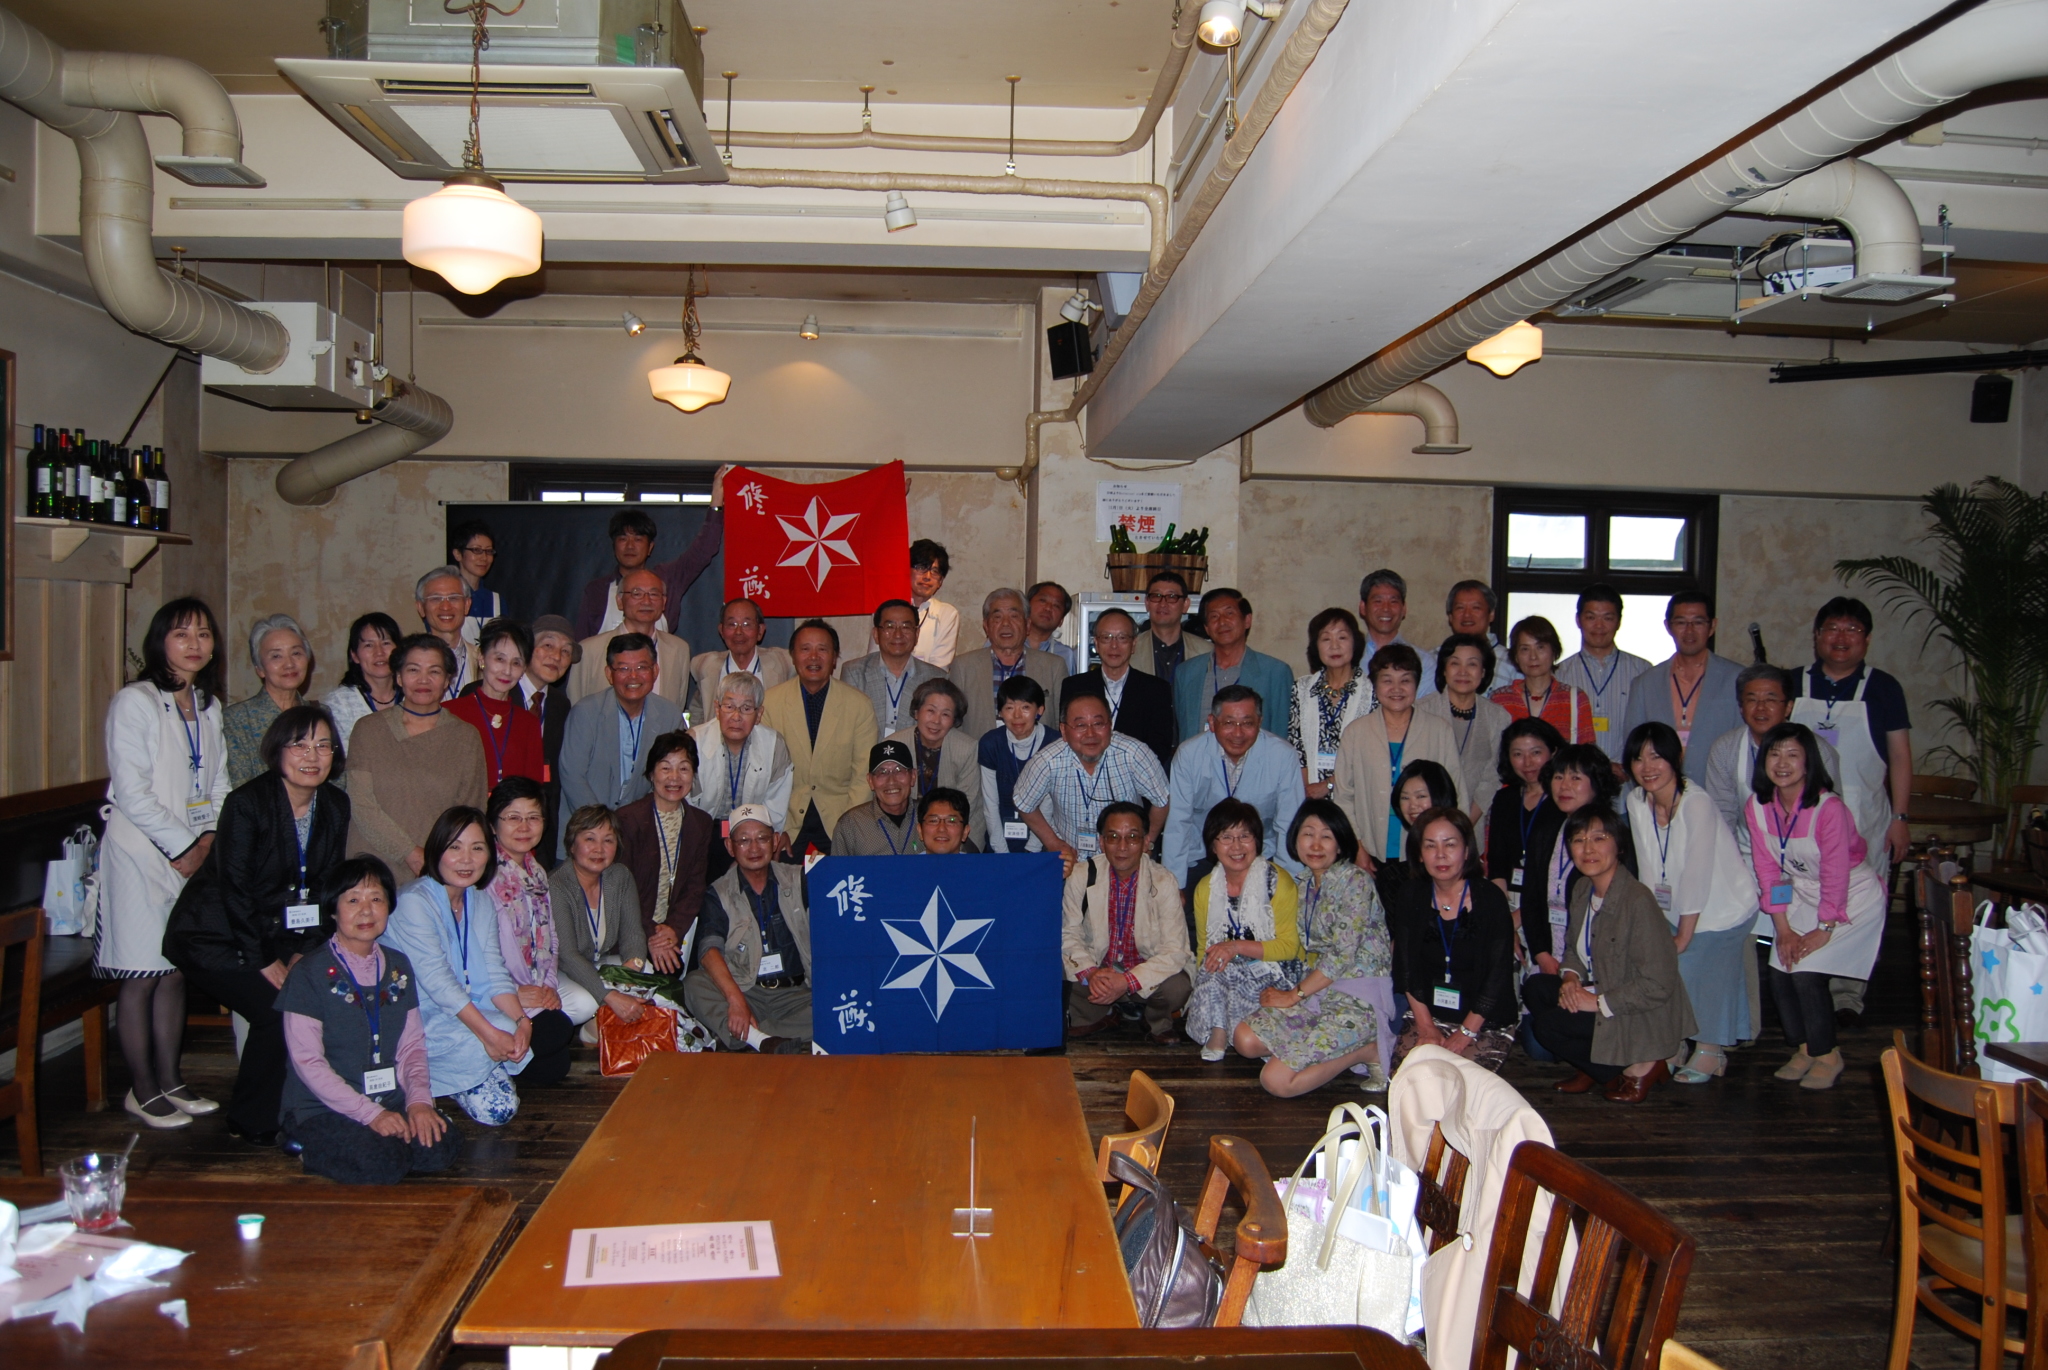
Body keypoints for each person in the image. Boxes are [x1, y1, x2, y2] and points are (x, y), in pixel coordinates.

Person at [163, 703, 349, 1144]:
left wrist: (305, 950)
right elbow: (235, 889)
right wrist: (265, 959)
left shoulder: (335, 804)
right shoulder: (247, 803)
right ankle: (253, 1120)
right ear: (277, 750)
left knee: (322, 995)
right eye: (299, 744)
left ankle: (308, 1105)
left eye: (323, 745)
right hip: (214, 934)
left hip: (280, 933)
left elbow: (325, 885)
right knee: (276, 1010)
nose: (312, 756)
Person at [99, 599, 230, 1128]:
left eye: (203, 634)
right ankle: (142, 1088)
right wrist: (183, 846)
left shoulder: (207, 705)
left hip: (191, 852)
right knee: (142, 973)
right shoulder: (135, 701)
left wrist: (209, 838)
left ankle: (172, 1080)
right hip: (139, 853)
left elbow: (217, 783)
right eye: (182, 634)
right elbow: (132, 791)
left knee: (174, 968)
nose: (195, 644)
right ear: (160, 642)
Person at [382, 807, 574, 1125]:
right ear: (436, 850)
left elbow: (495, 971)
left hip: (469, 1006)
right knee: (500, 1111)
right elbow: (438, 983)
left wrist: (523, 1022)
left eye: (477, 848)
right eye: (455, 847)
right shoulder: (414, 902)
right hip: (419, 1015)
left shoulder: (480, 900)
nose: (466, 860)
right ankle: (435, 1078)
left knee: (534, 1044)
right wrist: (488, 1034)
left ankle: (475, 1067)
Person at [277, 855, 461, 1184]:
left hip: (388, 1097)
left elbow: (412, 1046)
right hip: (323, 1106)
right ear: (333, 909)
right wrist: (371, 1115)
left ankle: (385, 1141)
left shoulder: (398, 965)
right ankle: (302, 1140)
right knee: (383, 1162)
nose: (366, 911)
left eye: (376, 899)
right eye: (353, 900)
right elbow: (308, 1061)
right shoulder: (308, 973)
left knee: (439, 1147)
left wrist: (419, 1102)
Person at [1745, 722, 1887, 1091]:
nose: (1782, 763)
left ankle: (1828, 1055)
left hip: (1851, 896)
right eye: (1774, 753)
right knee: (1780, 967)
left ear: (1809, 762)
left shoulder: (1828, 808)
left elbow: (1837, 874)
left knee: (1806, 972)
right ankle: (1805, 1048)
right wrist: (1783, 930)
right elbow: (1768, 871)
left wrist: (1823, 930)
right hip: (1802, 892)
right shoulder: (1757, 806)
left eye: (1793, 754)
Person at [1793, 596, 1912, 1027]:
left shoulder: (1884, 688)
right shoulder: (1793, 683)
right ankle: (1804, 983)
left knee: (1857, 906)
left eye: (1852, 630)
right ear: (1817, 636)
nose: (1841, 638)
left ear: (1867, 639)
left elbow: (1900, 756)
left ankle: (1848, 993)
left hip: (1865, 818)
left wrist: (1900, 818)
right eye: (1832, 629)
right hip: (1802, 820)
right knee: (1805, 900)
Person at [1526, 805, 1696, 1101]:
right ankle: (1595, 1066)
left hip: (1639, 1010)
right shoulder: (1583, 889)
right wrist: (1570, 979)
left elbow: (1658, 985)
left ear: (1619, 846)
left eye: (1599, 838)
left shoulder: (1637, 901)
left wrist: (1596, 1002)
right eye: (1578, 840)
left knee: (1549, 1026)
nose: (1588, 849)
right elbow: (1573, 949)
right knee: (1537, 988)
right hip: (1603, 989)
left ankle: (1643, 1064)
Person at [1235, 799, 1397, 1096]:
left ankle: (1367, 1050)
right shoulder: (1305, 884)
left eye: (1326, 836)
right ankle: (1316, 1050)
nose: (1316, 844)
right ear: (1295, 838)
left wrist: (1292, 996)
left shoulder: (1355, 881)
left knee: (1276, 1082)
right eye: (1308, 834)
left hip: (1357, 998)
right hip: (1319, 992)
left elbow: (1342, 956)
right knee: (1244, 1039)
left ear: (1340, 843)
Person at [1622, 722, 1754, 1084]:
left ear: (1675, 759)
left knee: (1692, 964)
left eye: (1656, 757)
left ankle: (1711, 1050)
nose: (1647, 767)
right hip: (1675, 906)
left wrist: (1683, 936)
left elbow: (1697, 874)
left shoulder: (1696, 802)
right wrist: (1652, 924)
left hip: (1723, 906)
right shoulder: (1637, 800)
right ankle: (1675, 1042)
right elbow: (1649, 868)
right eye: (1638, 759)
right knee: (1657, 963)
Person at [344, 634, 489, 878]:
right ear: (399, 677)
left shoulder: (466, 737)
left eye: (434, 671)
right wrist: (409, 852)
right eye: (413, 670)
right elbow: (361, 804)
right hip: (373, 868)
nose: (423, 679)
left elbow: (469, 814)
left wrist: (435, 859)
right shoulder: (368, 729)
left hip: (437, 868)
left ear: (447, 680)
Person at [1388, 806, 1518, 1071]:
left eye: (1450, 844)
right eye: (1430, 846)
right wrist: (1426, 1026)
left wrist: (1466, 1032)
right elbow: (1406, 967)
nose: (1440, 854)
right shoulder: (1411, 895)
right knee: (1408, 1079)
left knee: (1460, 1081)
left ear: (1467, 850)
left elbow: (1498, 975)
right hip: (1428, 1013)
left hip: (1483, 1018)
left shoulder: (1490, 899)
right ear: (1419, 854)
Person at [683, 805, 813, 1051]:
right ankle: (765, 1038)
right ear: (730, 847)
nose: (754, 848)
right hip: (746, 991)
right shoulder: (718, 892)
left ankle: (753, 1037)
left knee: (838, 1007)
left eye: (762, 838)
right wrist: (735, 1001)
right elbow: (709, 951)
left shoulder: (800, 879)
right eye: (743, 840)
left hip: (797, 994)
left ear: (775, 841)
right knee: (694, 984)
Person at [1062, 801, 1194, 1043]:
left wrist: (1126, 981)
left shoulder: (1164, 881)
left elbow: (1175, 950)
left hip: (1144, 979)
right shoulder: (1082, 875)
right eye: (1113, 837)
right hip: (1099, 975)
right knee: (1055, 968)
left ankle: (1154, 1020)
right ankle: (1100, 1015)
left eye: (1132, 837)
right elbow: (1069, 935)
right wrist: (1092, 974)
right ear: (1101, 842)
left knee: (1178, 986)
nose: (1122, 847)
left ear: (1146, 842)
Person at [1185, 798, 1302, 1062]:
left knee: (1223, 959)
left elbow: (1288, 948)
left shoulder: (1278, 882)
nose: (1236, 846)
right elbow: (1204, 947)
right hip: (1226, 976)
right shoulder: (1205, 888)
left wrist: (1236, 946)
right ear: (1213, 845)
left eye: (1244, 836)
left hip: (1275, 973)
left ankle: (1232, 1030)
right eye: (1226, 837)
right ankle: (1218, 1030)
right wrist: (1203, 985)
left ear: (1257, 841)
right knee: (1212, 962)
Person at [1333, 645, 1467, 870]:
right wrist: (1357, 847)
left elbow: (1456, 791)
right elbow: (1343, 796)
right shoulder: (1356, 732)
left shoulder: (1439, 730)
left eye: (1405, 680)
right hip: (1370, 848)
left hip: (1428, 849)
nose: (1397, 688)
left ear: (1417, 684)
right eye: (1387, 680)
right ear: (1375, 684)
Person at [1163, 685, 1308, 886]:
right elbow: (1178, 823)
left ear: (1260, 722)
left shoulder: (1282, 755)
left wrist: (1290, 883)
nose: (1238, 733)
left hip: (1260, 853)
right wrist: (1174, 885)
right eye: (1229, 723)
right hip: (1203, 853)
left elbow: (1288, 823)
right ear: (1212, 723)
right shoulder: (1189, 755)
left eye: (1247, 723)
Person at [1014, 692, 1171, 876]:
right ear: (1064, 730)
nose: (1090, 734)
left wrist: (1146, 842)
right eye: (1080, 725)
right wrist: (1053, 842)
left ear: (1110, 725)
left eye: (1098, 723)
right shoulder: (1048, 760)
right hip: (1072, 862)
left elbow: (1162, 799)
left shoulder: (1134, 754)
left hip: (1124, 860)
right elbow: (1023, 802)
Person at [557, 634, 685, 857]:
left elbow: (670, 778)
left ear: (655, 671)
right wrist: (605, 829)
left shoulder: (670, 715)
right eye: (624, 668)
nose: (633, 676)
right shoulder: (585, 712)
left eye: (642, 668)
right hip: (584, 835)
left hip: (639, 837)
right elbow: (572, 776)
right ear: (609, 674)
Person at [485, 775, 597, 1029]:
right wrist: (513, 991)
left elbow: (551, 936)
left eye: (533, 818)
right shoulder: (484, 875)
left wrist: (548, 985)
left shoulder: (537, 871)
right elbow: (478, 955)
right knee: (554, 1033)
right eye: (513, 817)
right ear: (492, 825)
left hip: (536, 980)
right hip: (497, 989)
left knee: (584, 1004)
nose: (524, 827)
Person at [1519, 744, 1638, 981]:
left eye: (1575, 778)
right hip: (1546, 959)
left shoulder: (1612, 835)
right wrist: (1541, 953)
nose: (1564, 786)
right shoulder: (1545, 830)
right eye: (1558, 777)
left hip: (1594, 964)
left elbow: (1620, 906)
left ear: (1596, 783)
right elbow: (1530, 896)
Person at [762, 620, 878, 859]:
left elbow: (862, 775)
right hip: (786, 820)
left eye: (822, 649)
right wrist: (774, 826)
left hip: (840, 818)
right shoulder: (770, 703)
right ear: (793, 656)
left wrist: (849, 828)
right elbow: (764, 774)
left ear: (834, 658)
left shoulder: (859, 705)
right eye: (805, 649)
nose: (813, 657)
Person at [571, 468, 731, 639]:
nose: (630, 546)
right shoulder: (597, 591)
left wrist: (716, 501)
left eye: (638, 539)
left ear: (650, 548)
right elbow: (583, 644)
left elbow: (704, 550)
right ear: (614, 546)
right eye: (623, 539)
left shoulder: (668, 579)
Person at [1705, 666, 1842, 855]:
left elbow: (1831, 816)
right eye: (1752, 700)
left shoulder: (1817, 750)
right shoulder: (1725, 748)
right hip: (1746, 853)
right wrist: (1731, 863)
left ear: (1788, 707)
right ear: (1741, 708)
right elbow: (1723, 815)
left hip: (1807, 855)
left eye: (1770, 700)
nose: (1761, 708)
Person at [615, 731, 718, 974]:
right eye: (665, 768)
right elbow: (621, 890)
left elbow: (695, 887)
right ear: (651, 774)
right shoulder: (627, 819)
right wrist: (653, 934)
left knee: (673, 974)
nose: (674, 777)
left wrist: (672, 929)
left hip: (672, 933)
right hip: (630, 930)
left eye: (684, 768)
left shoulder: (701, 823)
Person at [550, 804, 653, 1043]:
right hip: (562, 970)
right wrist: (611, 996)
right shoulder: (557, 885)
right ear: (572, 844)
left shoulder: (620, 876)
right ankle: (590, 1031)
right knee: (584, 1003)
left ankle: (604, 1025)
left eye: (608, 840)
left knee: (646, 970)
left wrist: (631, 971)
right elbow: (567, 955)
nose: (599, 849)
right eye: (590, 839)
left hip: (597, 961)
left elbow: (633, 934)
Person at [1618, 589, 1743, 760]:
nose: (1689, 631)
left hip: (1717, 776)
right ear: (1668, 626)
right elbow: (1634, 746)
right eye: (1681, 622)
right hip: (1659, 776)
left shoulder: (1737, 679)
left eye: (1698, 622)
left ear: (1712, 626)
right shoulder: (1644, 683)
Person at [1060, 607, 1176, 771]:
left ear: (1133, 644)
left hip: (1137, 777)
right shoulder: (1074, 686)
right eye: (1106, 637)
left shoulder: (1156, 689)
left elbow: (1160, 745)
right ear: (1096, 643)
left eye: (1122, 638)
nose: (1114, 645)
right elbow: (1068, 736)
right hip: (1084, 775)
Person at [1173, 588, 1294, 744]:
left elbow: (1281, 734)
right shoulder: (1186, 673)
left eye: (1229, 613)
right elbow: (1182, 731)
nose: (1222, 622)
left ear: (1247, 620)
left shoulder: (1275, 672)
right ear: (1207, 628)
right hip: (1199, 759)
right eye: (1214, 616)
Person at [951, 589, 1070, 741]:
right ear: (986, 626)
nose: (1006, 623)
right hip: (979, 753)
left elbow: (1064, 722)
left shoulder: (1054, 666)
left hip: (1039, 753)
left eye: (1014, 616)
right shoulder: (963, 666)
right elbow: (954, 724)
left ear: (1027, 625)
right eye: (997, 617)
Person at [1417, 633, 1512, 819]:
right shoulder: (1421, 711)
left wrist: (1465, 823)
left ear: (1483, 672)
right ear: (1444, 670)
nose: (1463, 671)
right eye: (1455, 663)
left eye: (1472, 664)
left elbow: (1492, 778)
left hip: (1473, 822)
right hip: (1424, 817)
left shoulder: (1498, 717)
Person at [687, 672, 794, 838]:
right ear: (717, 709)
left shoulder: (774, 745)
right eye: (729, 707)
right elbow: (686, 802)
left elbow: (775, 806)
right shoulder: (694, 742)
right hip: (701, 830)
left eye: (746, 708)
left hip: (752, 833)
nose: (736, 717)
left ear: (759, 714)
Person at [568, 568, 691, 707]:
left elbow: (677, 707)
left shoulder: (679, 649)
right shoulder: (590, 650)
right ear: (619, 601)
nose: (646, 601)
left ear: (663, 602)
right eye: (636, 594)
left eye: (654, 594)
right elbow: (576, 706)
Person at [448, 619, 547, 789]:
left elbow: (533, 787)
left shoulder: (529, 723)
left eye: (516, 663)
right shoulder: (451, 713)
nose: (507, 671)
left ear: (524, 669)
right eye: (500, 659)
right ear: (481, 658)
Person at [1555, 584, 1652, 758]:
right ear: (1578, 620)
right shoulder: (1559, 673)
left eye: (1607, 618)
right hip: (1576, 771)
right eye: (1591, 617)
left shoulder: (1643, 670)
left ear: (1619, 622)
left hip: (1628, 771)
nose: (1599, 626)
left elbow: (1650, 730)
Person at [1290, 608, 1374, 801]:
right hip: (1309, 796)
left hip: (1357, 796)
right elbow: (1297, 747)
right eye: (1326, 639)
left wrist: (1329, 785)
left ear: (1355, 642)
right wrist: (1306, 793)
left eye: (1342, 637)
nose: (1334, 646)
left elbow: (1372, 754)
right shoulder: (1301, 689)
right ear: (1316, 646)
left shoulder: (1372, 692)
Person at [1484, 717, 1566, 914]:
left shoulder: (1564, 799)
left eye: (1536, 752)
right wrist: (1502, 914)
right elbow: (1497, 862)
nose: (1527, 762)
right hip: (1509, 899)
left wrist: (1520, 918)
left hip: (1553, 902)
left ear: (1553, 752)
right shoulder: (1505, 799)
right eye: (1518, 754)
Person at [222, 613, 312, 787]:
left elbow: (335, 779)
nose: (289, 664)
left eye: (296, 653)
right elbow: (240, 787)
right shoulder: (237, 720)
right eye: (276, 656)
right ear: (259, 669)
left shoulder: (321, 714)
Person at [519, 614, 577, 867]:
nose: (556, 656)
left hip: (540, 833)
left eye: (566, 651)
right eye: (548, 645)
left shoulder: (561, 705)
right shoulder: (497, 692)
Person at [842, 599, 947, 737]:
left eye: (906, 627)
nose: (898, 635)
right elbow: (846, 727)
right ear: (876, 634)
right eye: (890, 626)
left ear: (916, 634)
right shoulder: (854, 672)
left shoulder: (936, 677)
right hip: (867, 749)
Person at [979, 675, 1059, 855]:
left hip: (1044, 840)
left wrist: (1033, 849)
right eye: (1009, 708)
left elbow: (1049, 803)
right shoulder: (990, 743)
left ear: (1040, 710)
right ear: (1000, 712)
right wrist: (1000, 851)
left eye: (1025, 707)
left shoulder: (1054, 743)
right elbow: (990, 803)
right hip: (999, 837)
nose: (1017, 716)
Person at [889, 678, 979, 838]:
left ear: (954, 721)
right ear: (916, 712)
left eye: (945, 714)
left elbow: (967, 803)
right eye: (931, 711)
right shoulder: (894, 745)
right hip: (904, 827)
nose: (936, 721)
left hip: (953, 828)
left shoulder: (966, 748)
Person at [686, 598, 794, 724]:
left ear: (760, 630)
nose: (738, 632)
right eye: (732, 624)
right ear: (721, 630)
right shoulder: (704, 665)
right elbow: (697, 712)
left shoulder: (785, 663)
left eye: (746, 624)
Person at [1493, 616, 1597, 745]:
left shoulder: (1574, 699)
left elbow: (1587, 752)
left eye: (1540, 647)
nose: (1533, 656)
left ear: (1554, 651)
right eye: (1525, 649)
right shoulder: (1500, 699)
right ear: (1516, 656)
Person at [1373, 760, 1460, 912]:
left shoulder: (1459, 842)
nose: (1412, 805)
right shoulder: (1396, 875)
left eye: (1421, 796)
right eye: (1405, 798)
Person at [864, 537, 961, 668]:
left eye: (935, 572)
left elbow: (940, 668)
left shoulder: (947, 613)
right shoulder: (886, 608)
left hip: (929, 680)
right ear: (907, 571)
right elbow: (873, 657)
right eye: (921, 568)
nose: (927, 577)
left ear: (940, 582)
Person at [320, 611, 403, 755]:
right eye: (369, 645)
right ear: (354, 655)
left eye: (386, 643)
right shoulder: (339, 704)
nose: (379, 652)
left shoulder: (415, 695)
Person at [833, 740, 928, 856]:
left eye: (899, 770)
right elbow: (837, 867)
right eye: (882, 772)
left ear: (913, 776)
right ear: (870, 781)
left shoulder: (930, 816)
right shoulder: (850, 825)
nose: (891, 781)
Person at [415, 566, 483, 700]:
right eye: (436, 598)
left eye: (453, 598)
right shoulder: (408, 663)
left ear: (467, 605)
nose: (445, 607)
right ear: (421, 608)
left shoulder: (484, 660)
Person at [1131, 569, 1204, 693]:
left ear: (1185, 605)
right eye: (1156, 596)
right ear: (1147, 603)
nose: (1163, 604)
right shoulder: (1130, 650)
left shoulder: (1206, 652)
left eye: (1171, 597)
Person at [1444, 580, 1518, 694]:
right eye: (1460, 608)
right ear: (1450, 616)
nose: (1467, 615)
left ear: (1491, 614)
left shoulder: (1512, 662)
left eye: (1476, 608)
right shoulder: (1433, 659)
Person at [449, 517, 503, 648]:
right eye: (477, 550)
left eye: (489, 551)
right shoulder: (445, 597)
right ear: (457, 554)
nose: (484, 558)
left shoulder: (496, 600)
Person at [1358, 569, 1420, 658]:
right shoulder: (1348, 659)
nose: (1386, 608)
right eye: (1378, 601)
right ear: (1363, 607)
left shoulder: (1423, 661)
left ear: (1404, 609)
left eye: (1393, 601)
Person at [1026, 581, 1078, 672]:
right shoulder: (1007, 646)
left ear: (1061, 621)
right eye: (1043, 600)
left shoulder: (1066, 655)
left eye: (1056, 605)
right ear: (1026, 607)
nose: (1048, 608)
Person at [917, 789, 977, 854]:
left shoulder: (978, 861)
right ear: (920, 830)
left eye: (951, 821)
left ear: (965, 832)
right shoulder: (909, 860)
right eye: (933, 821)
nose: (941, 828)